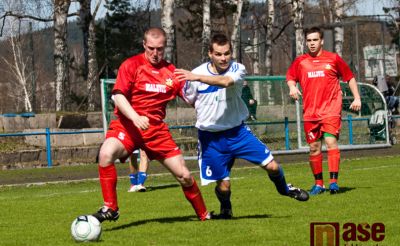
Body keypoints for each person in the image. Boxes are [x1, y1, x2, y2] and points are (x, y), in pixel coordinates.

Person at [174, 33, 309, 220]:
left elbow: (226, 82)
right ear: (210, 54)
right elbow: (189, 99)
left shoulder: (237, 69)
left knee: (273, 167)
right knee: (224, 186)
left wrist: (196, 77)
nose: (223, 58)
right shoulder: (195, 75)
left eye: (227, 53)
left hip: (237, 133)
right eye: (219, 54)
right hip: (211, 139)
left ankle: (286, 189)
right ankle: (226, 210)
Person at [92, 27, 211, 223]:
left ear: (165, 48)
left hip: (156, 131)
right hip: (128, 126)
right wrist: (135, 117)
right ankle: (110, 208)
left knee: (185, 176)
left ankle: (204, 215)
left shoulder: (171, 72)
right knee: (105, 154)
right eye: (151, 49)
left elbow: (193, 98)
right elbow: (117, 95)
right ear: (144, 45)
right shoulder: (131, 65)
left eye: (160, 49)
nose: (155, 54)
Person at [286, 27, 362, 195]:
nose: (312, 43)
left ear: (321, 41)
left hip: (331, 109)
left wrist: (357, 98)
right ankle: (319, 184)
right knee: (314, 147)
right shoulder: (301, 61)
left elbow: (349, 77)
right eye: (309, 40)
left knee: (330, 143)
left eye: (315, 40)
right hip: (310, 112)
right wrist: (292, 87)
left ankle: (333, 182)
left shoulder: (333, 59)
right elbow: (291, 77)